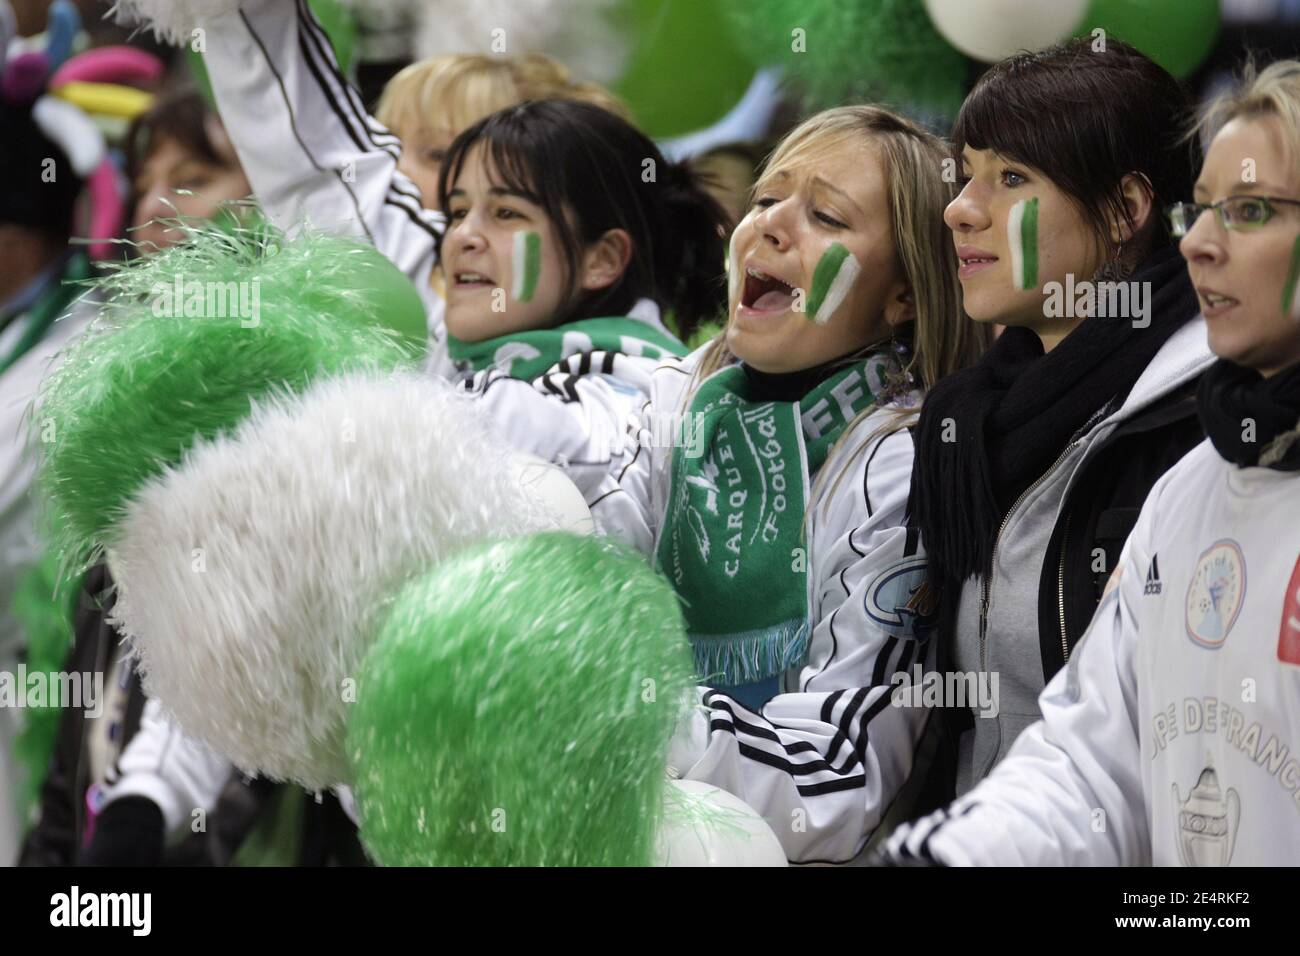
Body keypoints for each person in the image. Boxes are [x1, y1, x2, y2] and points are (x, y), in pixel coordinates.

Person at [882, 59, 1300, 866]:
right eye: (1205, 210)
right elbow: (1091, 754)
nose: (1203, 242)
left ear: (1127, 210)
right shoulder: (1198, 480)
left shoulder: (1176, 431)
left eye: (1249, 211)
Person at [907, 38, 1214, 806]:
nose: (959, 209)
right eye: (967, 175)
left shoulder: (1205, 418)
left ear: (1125, 210)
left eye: (1010, 178)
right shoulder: (966, 419)